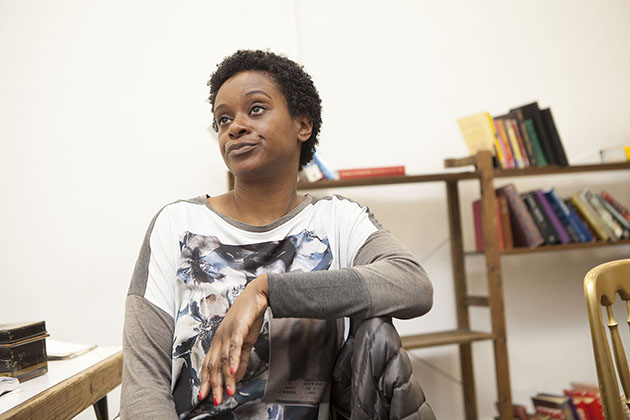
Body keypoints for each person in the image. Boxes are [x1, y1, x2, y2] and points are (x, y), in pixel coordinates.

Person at [121, 49, 433, 420]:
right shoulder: (177, 224)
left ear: (303, 124)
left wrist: (268, 290)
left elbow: (412, 283)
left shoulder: (338, 220)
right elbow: (143, 385)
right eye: (223, 119)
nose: (234, 127)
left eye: (255, 109)